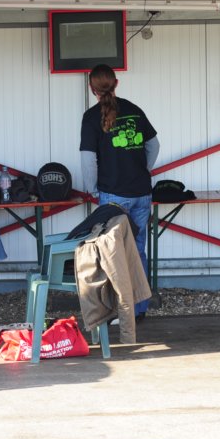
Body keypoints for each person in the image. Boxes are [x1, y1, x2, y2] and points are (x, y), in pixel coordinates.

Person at [79, 63, 159, 319]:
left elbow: (88, 160)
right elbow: (154, 145)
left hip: (112, 195)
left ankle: (119, 311)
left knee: (112, 254)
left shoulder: (91, 117)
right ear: (116, 83)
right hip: (141, 192)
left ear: (92, 88)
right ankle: (138, 310)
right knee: (137, 250)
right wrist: (142, 170)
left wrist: (92, 188)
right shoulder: (134, 110)